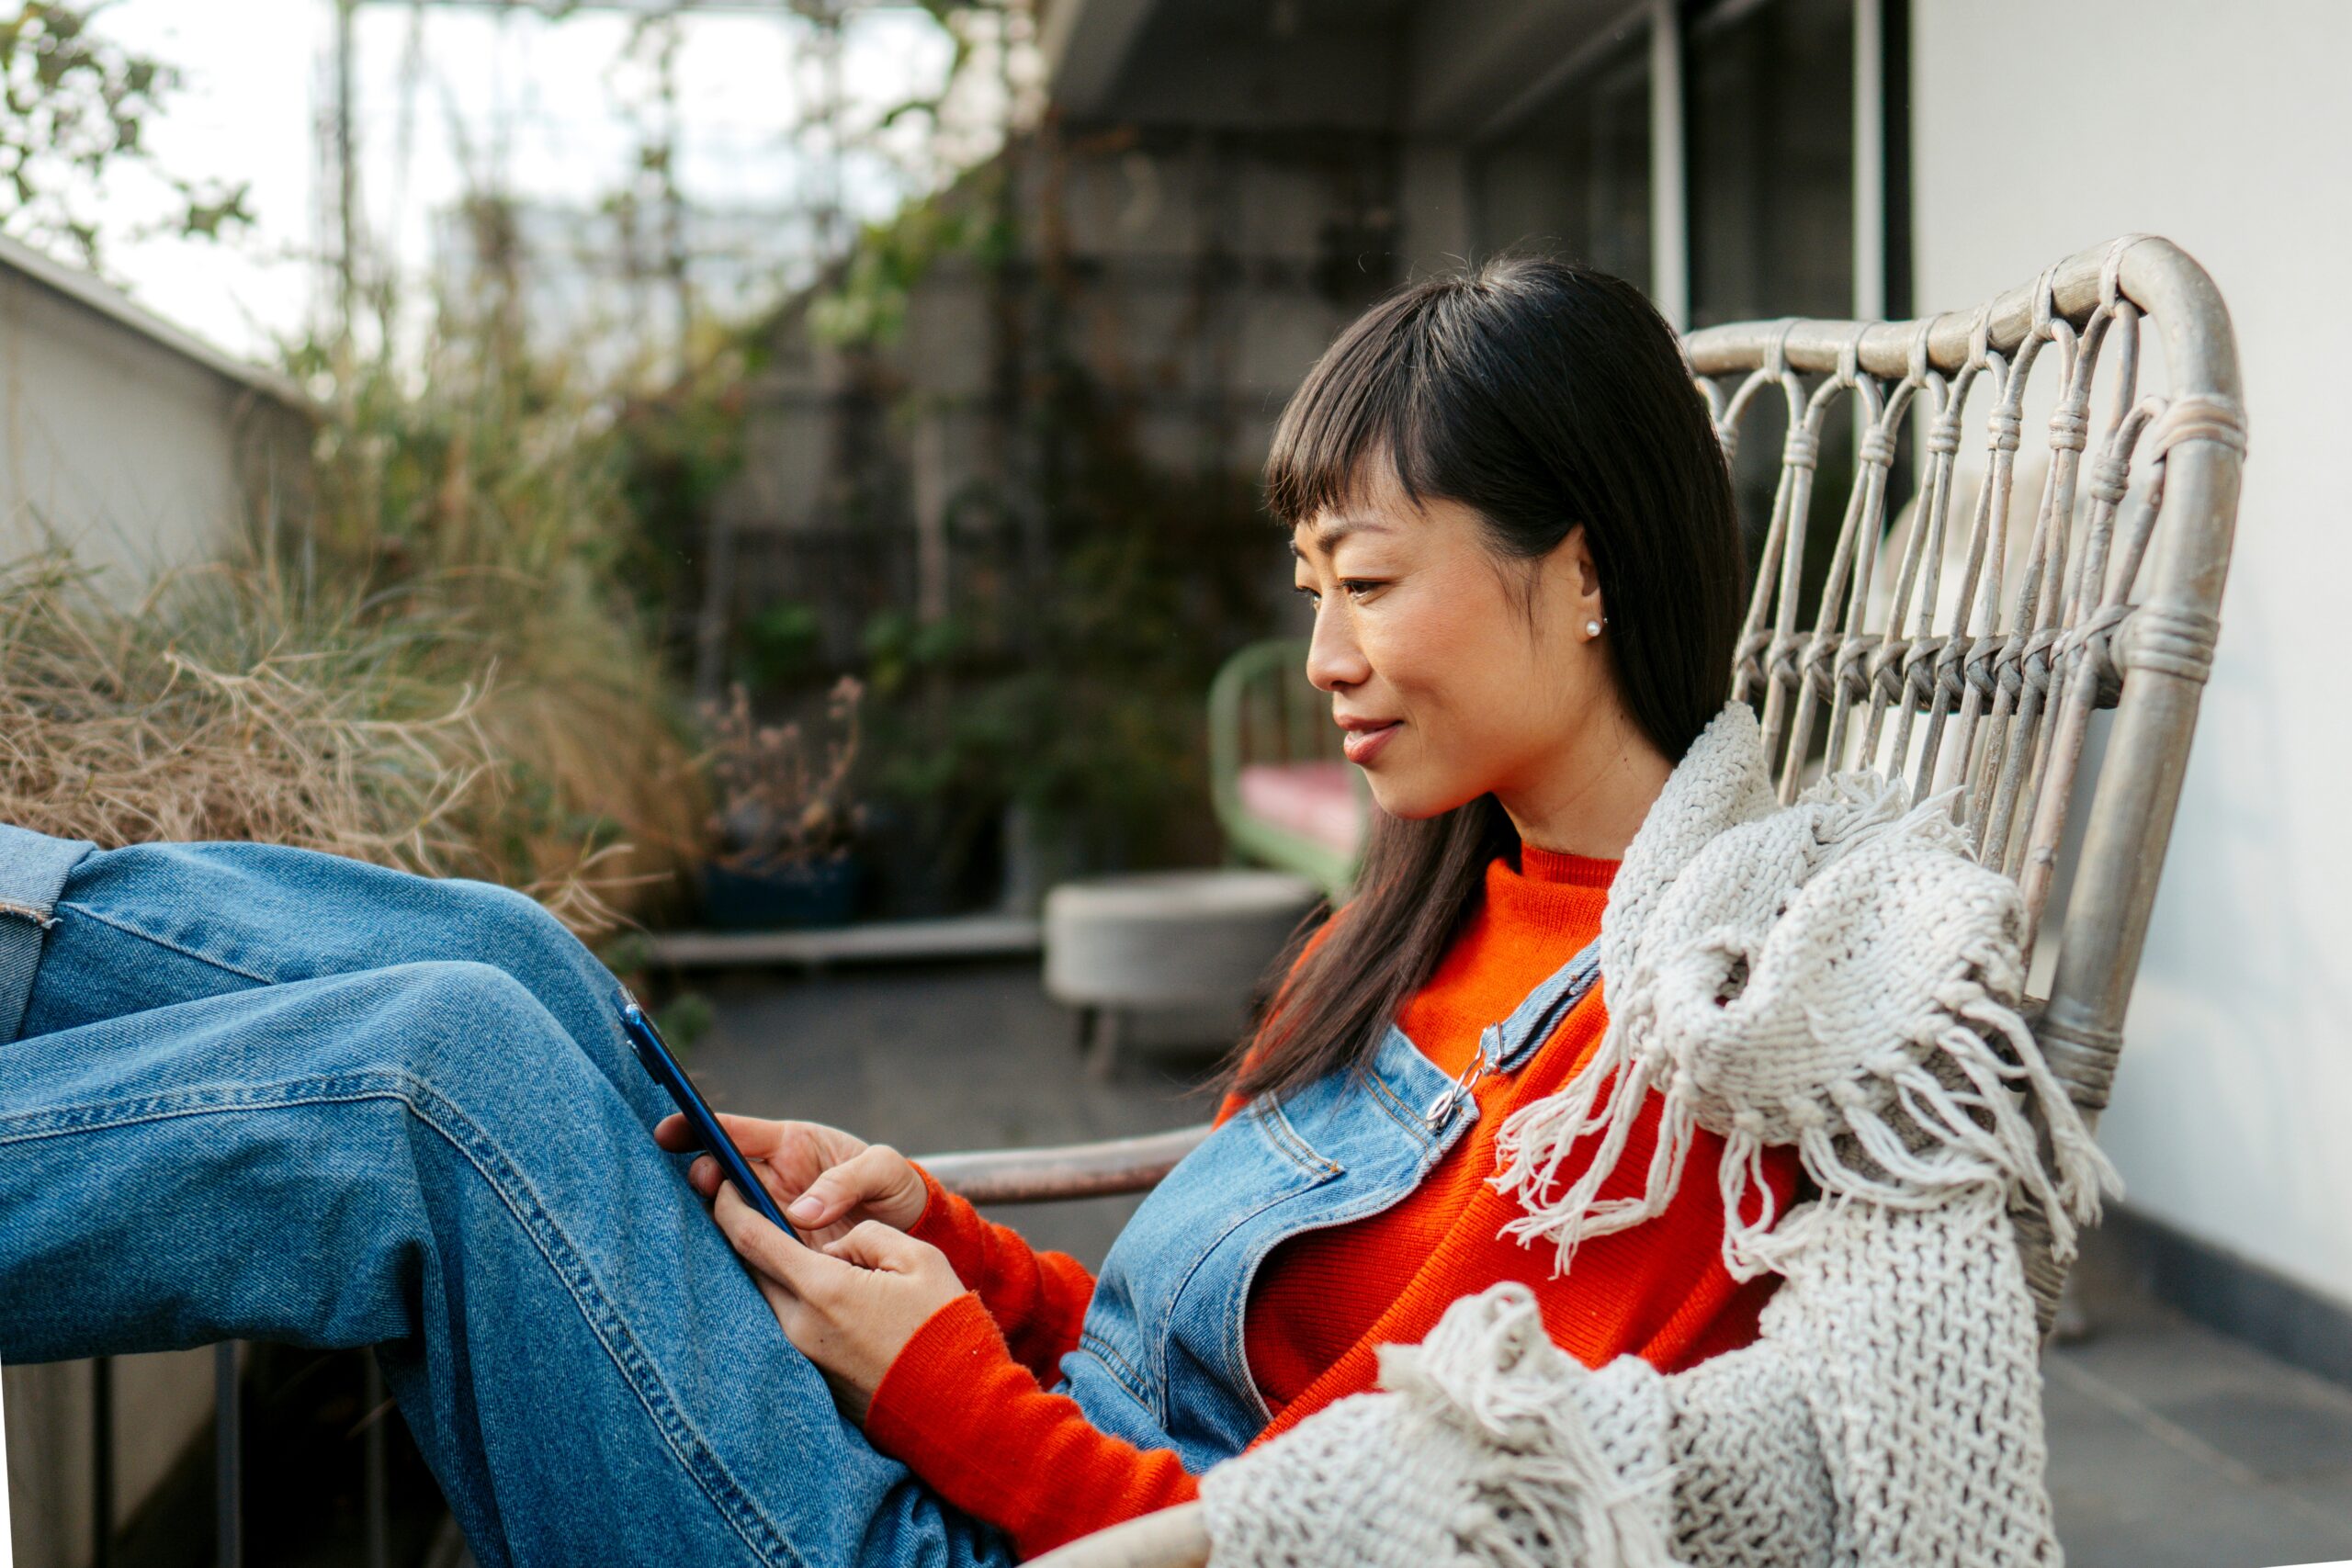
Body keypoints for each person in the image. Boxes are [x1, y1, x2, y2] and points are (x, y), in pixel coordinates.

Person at [0, 256, 1797, 1567]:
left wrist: (938, 1373)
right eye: (1308, 586)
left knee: (435, 1071)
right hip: (1019, 1473)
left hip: (1012, 1546)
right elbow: (1185, 1354)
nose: (1321, 657)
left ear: (1579, 570)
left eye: (1371, 584)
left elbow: (1292, 1537)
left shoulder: (1665, 1057)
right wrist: (945, 1242)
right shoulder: (1432, 913)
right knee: (504, 956)